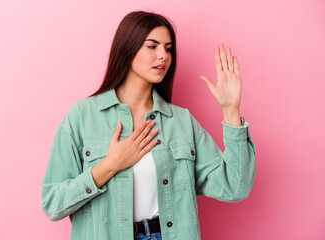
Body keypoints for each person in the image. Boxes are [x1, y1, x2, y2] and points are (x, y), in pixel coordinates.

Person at [41, 10, 256, 240]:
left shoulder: (181, 121)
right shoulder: (82, 116)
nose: (163, 55)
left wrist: (231, 110)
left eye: (168, 48)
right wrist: (109, 166)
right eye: (152, 46)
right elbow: (53, 203)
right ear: (128, 48)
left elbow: (235, 186)